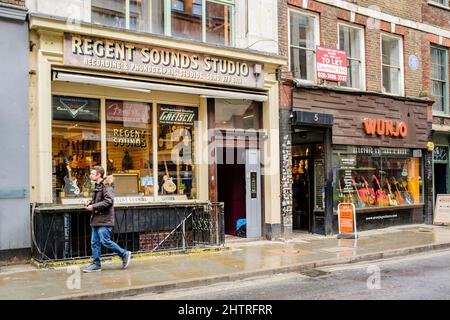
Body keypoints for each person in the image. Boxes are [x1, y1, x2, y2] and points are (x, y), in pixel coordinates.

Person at [83, 165, 131, 272]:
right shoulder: (97, 185)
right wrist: (89, 202)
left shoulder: (106, 186)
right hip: (96, 219)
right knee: (94, 242)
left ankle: (124, 253)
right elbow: (99, 200)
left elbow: (109, 201)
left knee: (105, 241)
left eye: (92, 174)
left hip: (105, 219)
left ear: (98, 175)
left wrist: (93, 206)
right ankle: (96, 264)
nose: (90, 175)